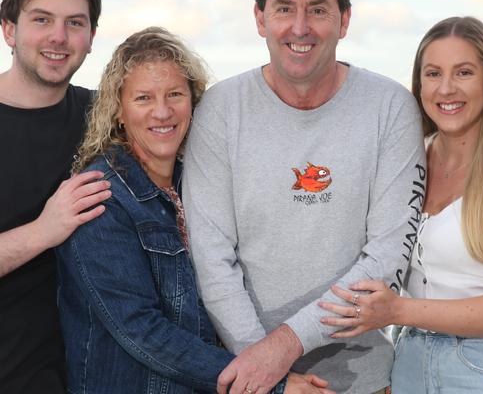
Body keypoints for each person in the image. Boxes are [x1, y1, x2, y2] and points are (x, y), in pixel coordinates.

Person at [183, 0, 426, 394]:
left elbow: (387, 258)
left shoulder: (390, 108)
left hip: (366, 382)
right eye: (284, 9)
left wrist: (281, 349)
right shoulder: (221, 110)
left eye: (317, 9)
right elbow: (212, 257)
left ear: (344, 20)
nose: (300, 27)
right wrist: (269, 373)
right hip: (249, 380)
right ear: (260, 18)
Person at [55, 27, 332, 394]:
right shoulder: (103, 197)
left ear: (193, 100)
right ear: (118, 111)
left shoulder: (199, 182)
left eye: (174, 94)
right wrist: (270, 382)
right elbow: (143, 332)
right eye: (143, 98)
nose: (162, 111)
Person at [320, 16, 483, 393]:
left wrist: (398, 311)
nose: (446, 89)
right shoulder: (409, 159)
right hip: (409, 362)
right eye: (433, 74)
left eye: (463, 72)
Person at [0, 0, 111, 393]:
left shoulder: (104, 117)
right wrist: (45, 230)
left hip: (85, 376)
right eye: (41, 19)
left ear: (91, 38)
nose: (58, 37)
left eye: (75, 23)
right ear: (9, 28)